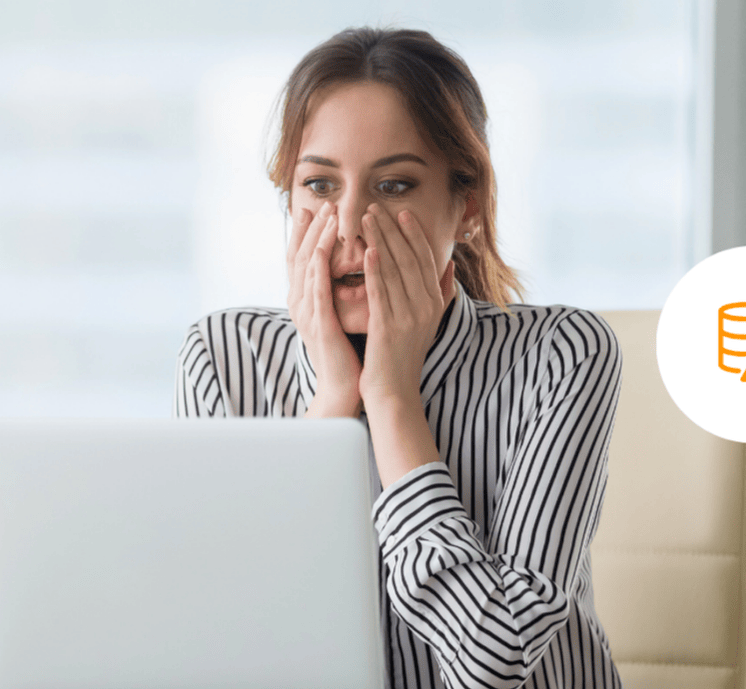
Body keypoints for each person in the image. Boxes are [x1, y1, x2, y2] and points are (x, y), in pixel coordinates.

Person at [173, 26, 623, 689]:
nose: (351, 224)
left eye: (393, 185)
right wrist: (330, 404)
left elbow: (492, 663)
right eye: (319, 185)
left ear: (465, 206)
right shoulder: (224, 358)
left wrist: (390, 400)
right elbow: (227, 647)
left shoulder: (562, 355)